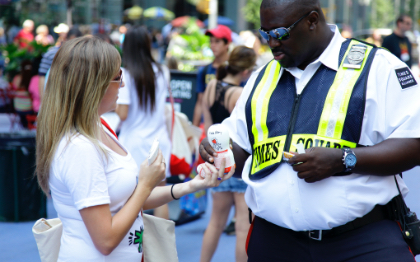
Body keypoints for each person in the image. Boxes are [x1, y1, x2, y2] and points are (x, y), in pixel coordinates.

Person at [199, 0, 420, 261]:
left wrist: (343, 160)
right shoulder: (261, 78)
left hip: (361, 242)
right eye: (265, 34)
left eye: (280, 33)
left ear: (312, 21)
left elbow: (413, 143)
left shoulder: (377, 67)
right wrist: (219, 151)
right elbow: (241, 147)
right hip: (275, 242)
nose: (272, 43)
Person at [35, 36, 234, 261]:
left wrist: (190, 186)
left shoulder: (99, 126)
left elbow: (124, 201)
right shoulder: (80, 148)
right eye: (118, 76)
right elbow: (106, 240)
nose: (123, 84)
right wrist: (146, 184)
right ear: (94, 84)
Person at [200, 46, 256, 262]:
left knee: (215, 221)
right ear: (245, 72)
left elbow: (207, 125)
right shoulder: (239, 94)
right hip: (236, 162)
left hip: (216, 158)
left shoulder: (212, 85)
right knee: (243, 224)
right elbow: (243, 133)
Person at [115, 26, 171, 220]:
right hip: (160, 140)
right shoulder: (162, 71)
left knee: (135, 196)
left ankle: (139, 246)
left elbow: (122, 114)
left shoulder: (125, 74)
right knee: (161, 194)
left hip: (134, 142)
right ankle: (162, 245)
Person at [192, 25, 232, 127]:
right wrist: (194, 132)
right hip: (207, 127)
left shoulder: (235, 70)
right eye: (211, 41)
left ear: (227, 43)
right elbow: (200, 102)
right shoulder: (204, 70)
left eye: (217, 41)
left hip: (229, 127)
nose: (213, 45)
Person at [38, 26, 82, 100]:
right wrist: (43, 100)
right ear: (66, 39)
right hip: (54, 95)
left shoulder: (82, 56)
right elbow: (42, 76)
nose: (73, 46)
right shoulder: (51, 53)